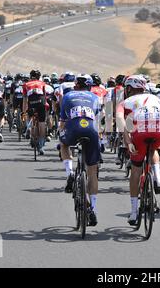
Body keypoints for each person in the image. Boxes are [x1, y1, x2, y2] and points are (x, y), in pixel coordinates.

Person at [117, 75, 160, 225]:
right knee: (153, 151)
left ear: (129, 88)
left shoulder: (124, 102)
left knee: (136, 171)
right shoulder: (155, 98)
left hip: (140, 133)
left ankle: (133, 212)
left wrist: (127, 139)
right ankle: (157, 179)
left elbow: (121, 121)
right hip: (159, 129)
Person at [60, 74, 100, 226]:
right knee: (92, 172)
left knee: (63, 144)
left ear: (76, 85)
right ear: (89, 86)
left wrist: (61, 135)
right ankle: (93, 209)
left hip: (73, 128)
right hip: (91, 130)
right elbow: (99, 120)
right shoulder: (95, 97)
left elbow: (63, 122)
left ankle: (70, 172)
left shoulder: (67, 95)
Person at [23, 70, 47, 155]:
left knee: (29, 116)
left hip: (31, 103)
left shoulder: (26, 84)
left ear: (30, 76)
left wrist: (24, 111)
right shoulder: (42, 83)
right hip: (41, 102)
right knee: (42, 123)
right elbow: (44, 95)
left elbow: (25, 99)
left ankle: (29, 128)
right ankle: (41, 145)